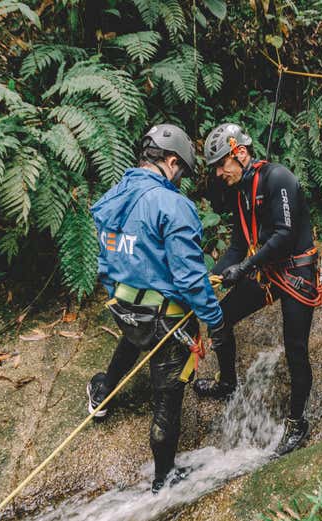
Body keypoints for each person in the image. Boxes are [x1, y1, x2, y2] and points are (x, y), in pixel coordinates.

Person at [86, 124, 225, 493]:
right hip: (166, 321)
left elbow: (106, 259)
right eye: (182, 172)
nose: (180, 180)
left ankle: (102, 393)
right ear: (172, 161)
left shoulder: (115, 194)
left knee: (133, 338)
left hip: (123, 307)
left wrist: (119, 296)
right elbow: (190, 277)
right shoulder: (173, 205)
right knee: (167, 400)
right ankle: (164, 481)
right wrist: (214, 320)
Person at [193, 123, 322, 456]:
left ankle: (297, 422)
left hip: (296, 271)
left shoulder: (279, 179)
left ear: (240, 153)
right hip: (267, 270)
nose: (219, 173)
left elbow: (285, 235)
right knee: (220, 317)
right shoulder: (241, 193)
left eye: (221, 164)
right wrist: (211, 277)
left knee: (295, 347)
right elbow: (239, 247)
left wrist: (246, 268)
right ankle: (227, 383)